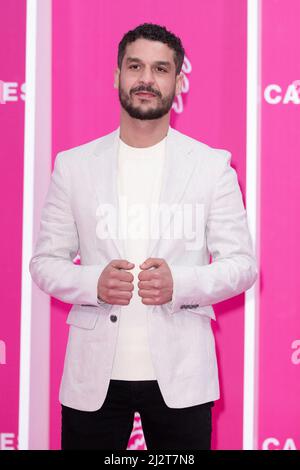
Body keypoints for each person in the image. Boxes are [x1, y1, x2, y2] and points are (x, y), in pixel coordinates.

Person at [29, 23, 258, 450]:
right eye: (135, 67)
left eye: (161, 69)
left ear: (178, 80)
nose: (147, 80)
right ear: (117, 75)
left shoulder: (211, 166)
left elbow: (242, 265)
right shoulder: (74, 166)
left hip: (182, 375)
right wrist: (91, 282)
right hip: (93, 377)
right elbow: (44, 263)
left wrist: (183, 284)